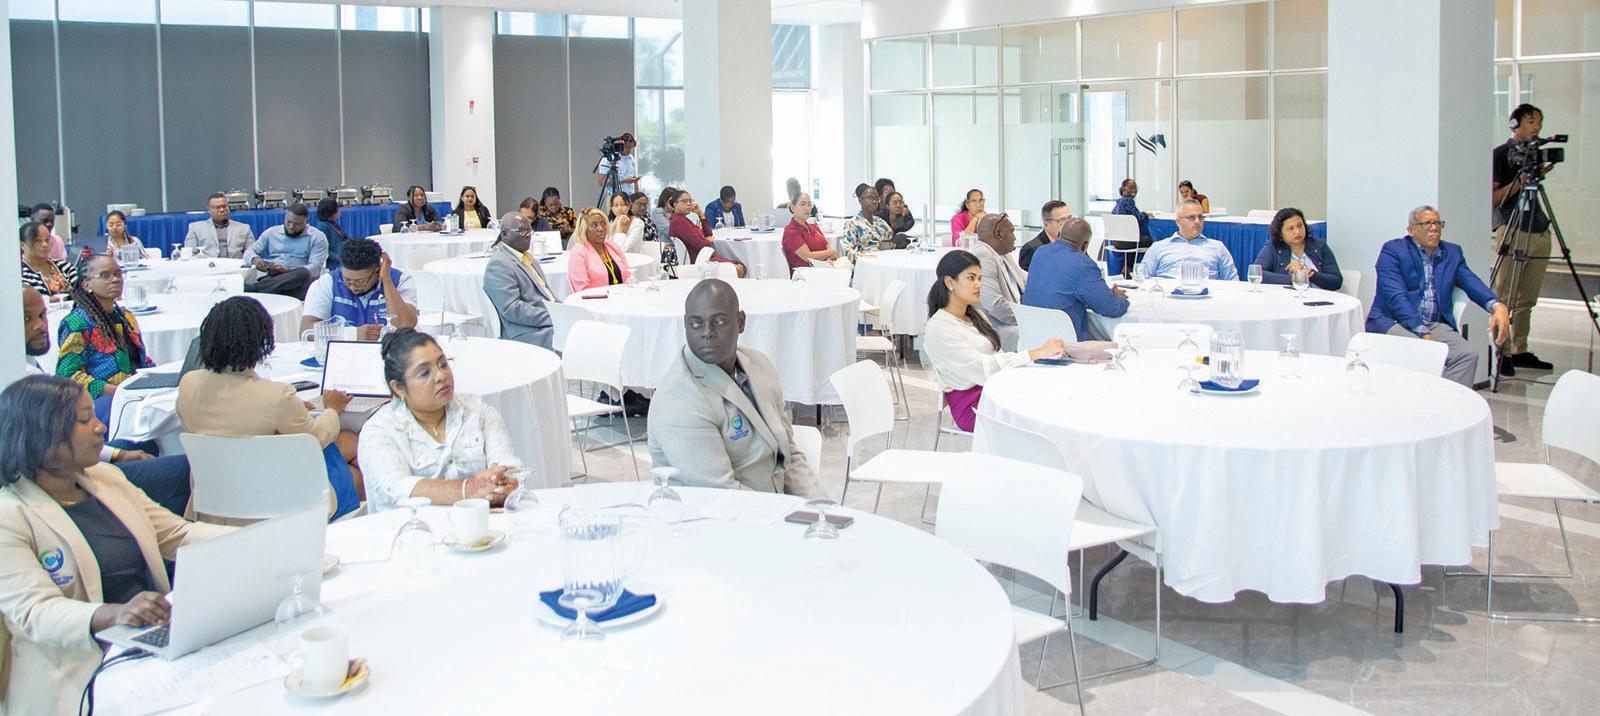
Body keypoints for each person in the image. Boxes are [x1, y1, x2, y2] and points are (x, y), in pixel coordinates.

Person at [0, 375, 231, 715]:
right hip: (78, 671)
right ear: (42, 436)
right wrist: (114, 614)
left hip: (147, 639)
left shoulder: (107, 479)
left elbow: (177, 535)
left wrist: (256, 541)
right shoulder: (10, 515)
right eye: (84, 420)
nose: (100, 427)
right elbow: (36, 612)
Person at [176, 297, 360, 518]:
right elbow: (316, 439)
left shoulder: (189, 384)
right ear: (260, 342)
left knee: (348, 451)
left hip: (213, 502)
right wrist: (332, 409)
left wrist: (287, 412)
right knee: (354, 453)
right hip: (276, 502)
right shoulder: (277, 396)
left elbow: (231, 419)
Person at [21, 286, 192, 516]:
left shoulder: (27, 362)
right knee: (187, 468)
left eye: (42, 315)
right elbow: (58, 442)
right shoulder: (24, 378)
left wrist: (117, 454)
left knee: (144, 440)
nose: (40, 325)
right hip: (68, 479)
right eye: (26, 319)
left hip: (73, 461)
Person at [646, 280, 824, 497]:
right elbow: (722, 494)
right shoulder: (678, 400)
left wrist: (820, 506)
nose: (707, 332)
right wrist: (787, 513)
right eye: (696, 323)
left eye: (719, 321)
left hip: (772, 505)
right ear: (685, 325)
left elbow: (789, 454)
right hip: (717, 513)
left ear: (740, 322)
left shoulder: (759, 365)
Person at [357, 329, 522, 513]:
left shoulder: (479, 412)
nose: (441, 376)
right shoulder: (379, 430)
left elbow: (508, 464)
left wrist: (503, 482)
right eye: (424, 373)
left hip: (484, 521)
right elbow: (395, 488)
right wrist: (467, 489)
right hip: (413, 526)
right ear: (399, 388)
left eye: (443, 364)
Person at [925, 250, 1083, 432]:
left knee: (1054, 393)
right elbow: (982, 368)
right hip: (974, 406)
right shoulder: (939, 327)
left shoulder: (976, 316)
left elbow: (997, 356)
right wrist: (1034, 354)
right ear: (949, 282)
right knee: (1044, 410)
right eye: (971, 278)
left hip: (995, 391)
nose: (978, 285)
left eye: (979, 278)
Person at [1366, 205, 1511, 387]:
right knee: (1423, 353)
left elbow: (1471, 282)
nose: (1434, 228)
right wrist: (1423, 334)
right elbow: (1396, 298)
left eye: (1438, 223)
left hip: (1434, 324)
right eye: (1427, 223)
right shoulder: (1393, 250)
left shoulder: (1452, 253)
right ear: (1411, 230)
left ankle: (1444, 401)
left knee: (1466, 356)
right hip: (1394, 321)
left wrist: (1497, 306)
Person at [1490, 103, 1557, 376]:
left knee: (1527, 297)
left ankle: (1520, 349)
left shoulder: (1534, 154)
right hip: (1512, 227)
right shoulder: (1501, 154)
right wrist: (1521, 181)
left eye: (1540, 122)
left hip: (1538, 228)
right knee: (1505, 294)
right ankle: (1501, 351)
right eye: (1531, 122)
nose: (1537, 127)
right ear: (1515, 124)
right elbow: (1493, 199)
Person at [55, 254, 153, 401]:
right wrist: (116, 392)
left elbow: (139, 360)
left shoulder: (126, 317)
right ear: (86, 285)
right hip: (101, 402)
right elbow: (67, 375)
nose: (115, 279)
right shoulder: (77, 322)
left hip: (136, 395)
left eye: (118, 274)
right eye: (105, 275)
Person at [1022, 218, 1131, 341]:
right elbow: (1111, 308)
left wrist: (1102, 294)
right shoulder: (1082, 264)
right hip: (1065, 342)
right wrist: (1121, 300)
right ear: (1085, 245)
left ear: (1059, 235)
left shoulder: (1040, 252)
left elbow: (1060, 288)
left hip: (1032, 336)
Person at [301, 238, 419, 340]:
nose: (352, 286)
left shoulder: (401, 281)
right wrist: (353, 334)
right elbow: (306, 330)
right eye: (347, 280)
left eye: (360, 281)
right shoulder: (327, 282)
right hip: (342, 352)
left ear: (377, 270)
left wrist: (386, 280)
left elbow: (405, 325)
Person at [483, 212, 557, 350]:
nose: (528, 236)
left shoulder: (528, 258)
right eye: (522, 231)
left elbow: (547, 295)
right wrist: (553, 317)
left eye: (530, 230)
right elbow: (512, 309)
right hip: (527, 331)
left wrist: (564, 311)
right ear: (505, 234)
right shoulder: (499, 264)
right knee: (578, 338)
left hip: (545, 321)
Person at [966, 214, 1026, 351]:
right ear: (999, 234)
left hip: (1016, 315)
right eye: (1011, 232)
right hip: (998, 327)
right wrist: (1027, 318)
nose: (1014, 238)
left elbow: (1025, 279)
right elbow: (995, 306)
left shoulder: (1002, 252)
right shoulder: (982, 256)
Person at [243, 203, 326, 300]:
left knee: (304, 273)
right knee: (274, 280)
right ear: (285, 217)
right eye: (289, 222)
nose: (291, 226)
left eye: (297, 224)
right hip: (274, 276)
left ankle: (257, 289)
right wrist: (255, 260)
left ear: (306, 222)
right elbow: (249, 252)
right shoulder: (272, 232)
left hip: (298, 280)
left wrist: (288, 270)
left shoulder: (317, 237)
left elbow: (316, 267)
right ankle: (265, 288)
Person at [1141, 199, 1239, 281]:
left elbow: (1233, 282)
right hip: (1168, 295)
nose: (1197, 221)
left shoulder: (1217, 247)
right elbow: (1142, 279)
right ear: (1178, 221)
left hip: (1206, 295)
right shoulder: (1158, 247)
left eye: (1200, 217)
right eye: (1191, 217)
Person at [1252, 207, 1342, 290]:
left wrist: (1312, 275)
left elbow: (1336, 281)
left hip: (1319, 298)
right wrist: (1293, 278)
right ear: (1280, 233)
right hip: (1286, 298)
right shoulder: (1273, 247)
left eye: (1300, 226)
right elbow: (1258, 273)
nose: (1297, 231)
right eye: (1291, 228)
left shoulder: (1319, 245)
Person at [669, 190, 745, 276]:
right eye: (684, 201)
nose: (689, 204)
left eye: (690, 201)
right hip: (699, 261)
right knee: (739, 269)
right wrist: (707, 241)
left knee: (741, 266)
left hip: (705, 257)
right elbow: (700, 244)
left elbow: (709, 234)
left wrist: (700, 214)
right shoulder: (678, 221)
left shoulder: (683, 219)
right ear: (675, 204)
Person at [568, 207, 633, 292]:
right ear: (584, 229)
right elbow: (582, 290)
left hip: (622, 296)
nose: (601, 229)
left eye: (603, 224)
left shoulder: (613, 247)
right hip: (596, 299)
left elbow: (628, 275)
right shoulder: (578, 252)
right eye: (594, 225)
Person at [186, 192, 256, 259]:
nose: (222, 210)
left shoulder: (244, 228)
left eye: (224, 206)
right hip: (207, 265)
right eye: (218, 207)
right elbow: (190, 254)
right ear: (209, 210)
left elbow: (251, 252)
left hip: (235, 265)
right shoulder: (195, 228)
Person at [19, 221, 77, 300]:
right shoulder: (21, 275)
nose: (45, 244)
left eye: (47, 240)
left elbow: (81, 292)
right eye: (37, 241)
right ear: (22, 245)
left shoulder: (65, 266)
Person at [781, 192, 837, 275]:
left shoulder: (814, 227)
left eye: (809, 204)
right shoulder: (790, 231)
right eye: (802, 204)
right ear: (793, 208)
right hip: (805, 275)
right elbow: (808, 257)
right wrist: (831, 252)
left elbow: (829, 250)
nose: (807, 208)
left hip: (824, 270)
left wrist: (830, 258)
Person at [1110, 179, 1153, 278]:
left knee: (1135, 238)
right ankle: (1143, 271)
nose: (1134, 190)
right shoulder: (1128, 201)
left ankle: (1127, 267)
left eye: (1135, 188)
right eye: (1131, 187)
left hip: (1116, 241)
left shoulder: (1118, 204)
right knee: (1153, 240)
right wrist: (1146, 215)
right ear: (1123, 189)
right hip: (1127, 241)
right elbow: (1138, 218)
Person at [839, 183, 891, 263]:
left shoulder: (881, 223)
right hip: (866, 263)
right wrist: (867, 260)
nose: (874, 201)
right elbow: (848, 252)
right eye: (870, 198)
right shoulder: (852, 224)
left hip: (885, 261)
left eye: (877, 198)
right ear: (860, 200)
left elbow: (890, 242)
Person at [1018, 200, 1071, 271]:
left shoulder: (1074, 243)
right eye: (1062, 220)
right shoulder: (1032, 249)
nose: (1068, 224)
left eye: (1070, 218)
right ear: (1046, 224)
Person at [631, 191, 676, 270]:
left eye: (645, 204)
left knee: (674, 251)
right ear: (631, 204)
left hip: (657, 246)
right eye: (639, 204)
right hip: (647, 250)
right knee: (671, 253)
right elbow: (642, 241)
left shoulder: (646, 216)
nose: (642, 207)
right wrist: (661, 246)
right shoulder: (632, 220)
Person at [594, 132, 640, 204]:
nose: (630, 150)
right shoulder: (609, 159)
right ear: (621, 145)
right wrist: (623, 181)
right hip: (614, 198)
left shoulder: (631, 158)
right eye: (628, 147)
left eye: (631, 147)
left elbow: (634, 180)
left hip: (630, 197)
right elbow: (601, 182)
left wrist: (637, 197)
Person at [314, 197, 347, 273]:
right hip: (335, 264)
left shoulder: (333, 224)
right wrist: (340, 258)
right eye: (337, 209)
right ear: (331, 212)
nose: (339, 211)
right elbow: (324, 249)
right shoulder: (323, 226)